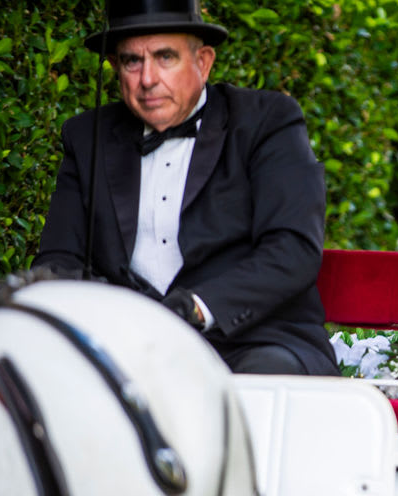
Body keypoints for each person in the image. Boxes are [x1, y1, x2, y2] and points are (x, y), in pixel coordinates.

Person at [34, 0, 338, 376]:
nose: (147, 79)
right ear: (115, 67)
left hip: (251, 342)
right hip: (128, 346)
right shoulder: (86, 136)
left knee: (260, 384)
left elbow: (292, 251)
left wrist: (194, 308)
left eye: (165, 57)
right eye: (132, 61)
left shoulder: (268, 120)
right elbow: (58, 262)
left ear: (203, 62)